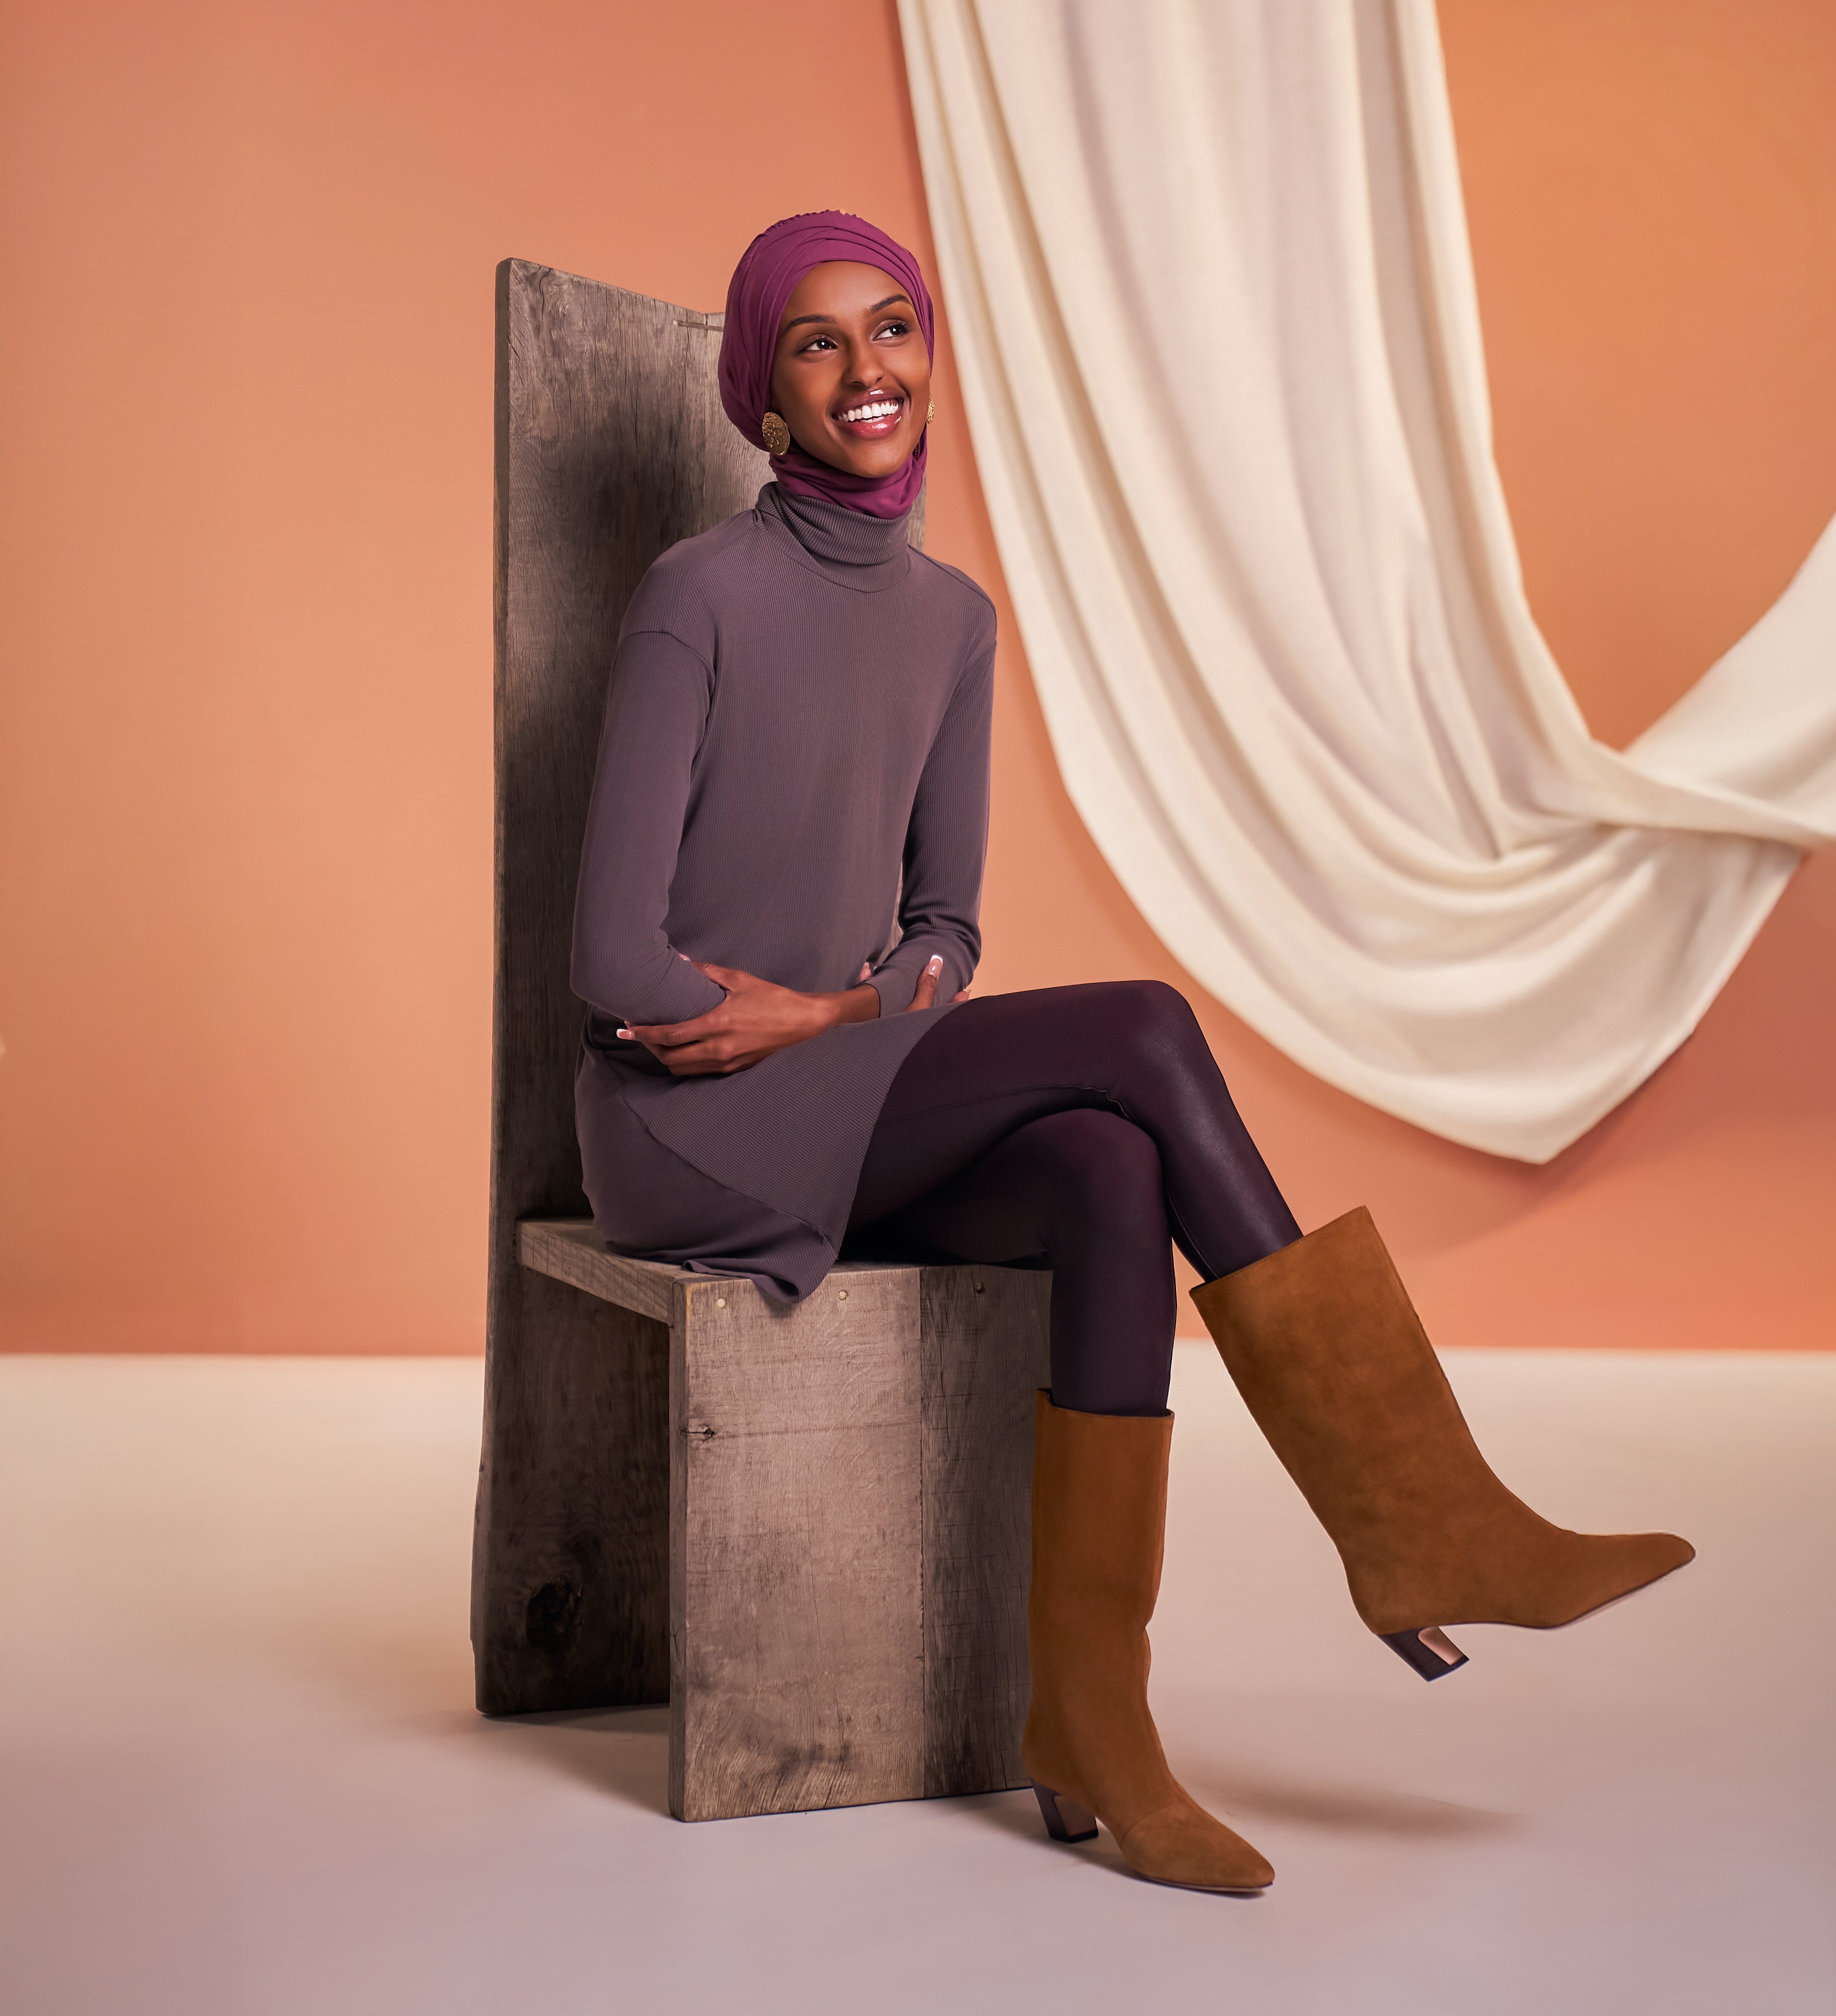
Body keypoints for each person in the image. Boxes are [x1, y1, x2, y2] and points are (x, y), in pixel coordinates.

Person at [569, 210, 1694, 1897]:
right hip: (687, 1131)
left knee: (1107, 1168)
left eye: (895, 326)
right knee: (1146, 1028)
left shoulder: (954, 623)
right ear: (764, 388)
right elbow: (612, 965)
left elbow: (947, 931)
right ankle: (1414, 1514)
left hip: (837, 1090)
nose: (868, 368)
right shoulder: (696, 598)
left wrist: (827, 1013)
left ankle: (1093, 1717)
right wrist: (798, 1027)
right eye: (817, 340)